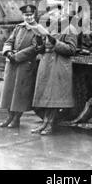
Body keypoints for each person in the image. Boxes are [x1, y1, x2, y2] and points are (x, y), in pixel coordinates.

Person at [30, 7, 77, 135]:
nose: (52, 17)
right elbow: (39, 48)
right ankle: (45, 123)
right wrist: (39, 39)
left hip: (59, 65)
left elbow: (71, 49)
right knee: (45, 95)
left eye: (55, 15)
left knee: (54, 96)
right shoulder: (49, 29)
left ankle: (49, 124)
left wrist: (54, 42)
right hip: (46, 64)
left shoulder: (70, 29)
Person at [0, 4, 40, 129]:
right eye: (26, 15)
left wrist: (17, 56)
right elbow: (9, 41)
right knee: (9, 91)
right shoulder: (18, 27)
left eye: (31, 15)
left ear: (34, 15)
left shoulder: (37, 29)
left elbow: (35, 48)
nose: (28, 17)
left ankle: (16, 119)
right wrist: (8, 52)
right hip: (12, 63)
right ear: (23, 16)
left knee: (20, 94)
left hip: (24, 64)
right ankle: (9, 117)